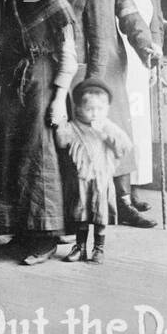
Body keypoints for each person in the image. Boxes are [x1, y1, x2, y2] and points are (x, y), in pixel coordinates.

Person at [47, 0, 157, 227]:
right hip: (72, 66)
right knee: (79, 139)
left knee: (113, 130)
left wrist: (146, 45)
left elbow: (128, 12)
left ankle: (121, 203)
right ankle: (81, 209)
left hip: (107, 64)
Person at [0, 0, 79, 265]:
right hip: (20, 84)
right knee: (16, 155)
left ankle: (45, 238)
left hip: (43, 84)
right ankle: (23, 231)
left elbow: (68, 57)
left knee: (39, 155)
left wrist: (58, 100)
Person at [103, 0, 164, 189]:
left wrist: (155, 52)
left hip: (141, 54)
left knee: (139, 120)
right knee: (114, 119)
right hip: (112, 53)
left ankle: (136, 184)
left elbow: (155, 20)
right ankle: (115, 187)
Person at [55, 79, 132, 265]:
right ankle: (79, 248)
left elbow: (124, 145)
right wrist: (60, 124)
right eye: (89, 109)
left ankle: (99, 248)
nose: (95, 113)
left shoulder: (107, 126)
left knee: (100, 214)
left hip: (101, 179)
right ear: (79, 108)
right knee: (81, 214)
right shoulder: (74, 127)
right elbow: (62, 142)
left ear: (107, 109)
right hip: (81, 180)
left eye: (100, 109)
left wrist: (105, 135)